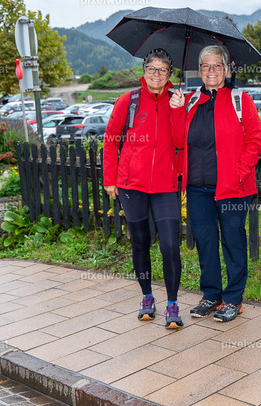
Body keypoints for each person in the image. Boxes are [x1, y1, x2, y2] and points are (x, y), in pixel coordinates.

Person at [169, 45, 261, 322]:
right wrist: (176, 110)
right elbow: (178, 141)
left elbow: (255, 141)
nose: (211, 70)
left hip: (233, 188)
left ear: (226, 69)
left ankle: (233, 299)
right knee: (206, 243)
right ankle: (211, 295)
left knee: (233, 243)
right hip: (198, 188)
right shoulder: (189, 101)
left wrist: (239, 172)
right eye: (206, 66)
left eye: (217, 65)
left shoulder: (240, 100)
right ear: (199, 71)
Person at [103, 48, 184, 329]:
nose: (157, 74)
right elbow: (111, 139)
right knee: (140, 242)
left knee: (170, 245)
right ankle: (147, 297)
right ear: (144, 71)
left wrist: (177, 110)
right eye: (152, 69)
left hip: (165, 185)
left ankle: (172, 303)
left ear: (170, 74)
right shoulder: (129, 101)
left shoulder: (177, 101)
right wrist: (110, 179)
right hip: (131, 185)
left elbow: (181, 141)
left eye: (163, 70)